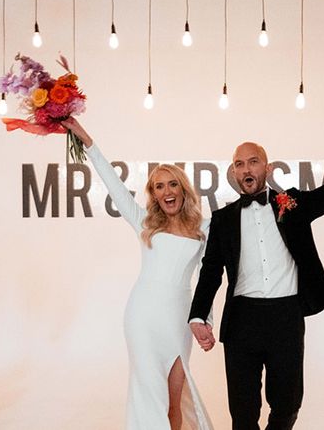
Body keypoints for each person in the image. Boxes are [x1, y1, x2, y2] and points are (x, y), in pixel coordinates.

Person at [187, 86, 324, 430]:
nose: (247, 168)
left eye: (253, 161)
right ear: (233, 171)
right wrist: (199, 314)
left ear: (267, 166)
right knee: (242, 414)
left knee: (287, 407)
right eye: (239, 163)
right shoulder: (224, 219)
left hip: (286, 317)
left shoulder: (293, 205)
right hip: (241, 319)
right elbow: (210, 270)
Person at [63, 118, 214, 430]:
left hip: (180, 318)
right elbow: (112, 183)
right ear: (154, 194)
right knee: (149, 394)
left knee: (174, 396)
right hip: (143, 317)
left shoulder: (203, 228)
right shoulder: (145, 221)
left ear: (183, 189)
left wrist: (205, 322)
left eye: (172, 184)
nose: (166, 191)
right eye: (159, 186)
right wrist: (85, 138)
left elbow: (207, 280)